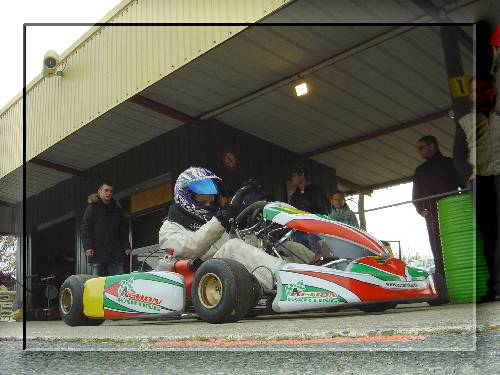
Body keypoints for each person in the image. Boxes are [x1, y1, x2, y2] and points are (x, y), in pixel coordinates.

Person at [158, 167, 286, 290]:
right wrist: (221, 221)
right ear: (186, 196)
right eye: (204, 202)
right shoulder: (168, 228)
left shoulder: (212, 223)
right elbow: (191, 247)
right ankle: (287, 281)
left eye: (210, 201)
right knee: (232, 247)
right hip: (199, 283)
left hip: (227, 278)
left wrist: (248, 226)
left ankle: (299, 274)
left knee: (287, 247)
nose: (209, 204)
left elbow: (246, 252)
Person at [455, 73, 499, 302]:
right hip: (481, 182)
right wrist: (468, 174)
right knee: (489, 236)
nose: (479, 95)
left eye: (484, 89)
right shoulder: (465, 123)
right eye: (475, 91)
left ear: (492, 89)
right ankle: (495, 287)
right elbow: (458, 156)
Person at [413, 135, 464, 288]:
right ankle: (444, 286)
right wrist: (421, 210)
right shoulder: (420, 171)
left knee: (458, 245)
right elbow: (416, 195)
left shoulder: (450, 163)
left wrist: (461, 205)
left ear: (432, 146)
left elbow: (463, 184)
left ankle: (462, 280)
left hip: (453, 212)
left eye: (422, 147)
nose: (419, 151)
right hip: (433, 216)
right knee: (437, 249)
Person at [81, 182, 131, 276]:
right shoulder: (92, 207)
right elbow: (86, 227)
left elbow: (122, 231)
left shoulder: (117, 210)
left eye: (111, 191)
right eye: (106, 190)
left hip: (114, 253)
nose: (109, 193)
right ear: (99, 191)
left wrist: (126, 246)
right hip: (97, 253)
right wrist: (88, 246)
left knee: (118, 284)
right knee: (96, 284)